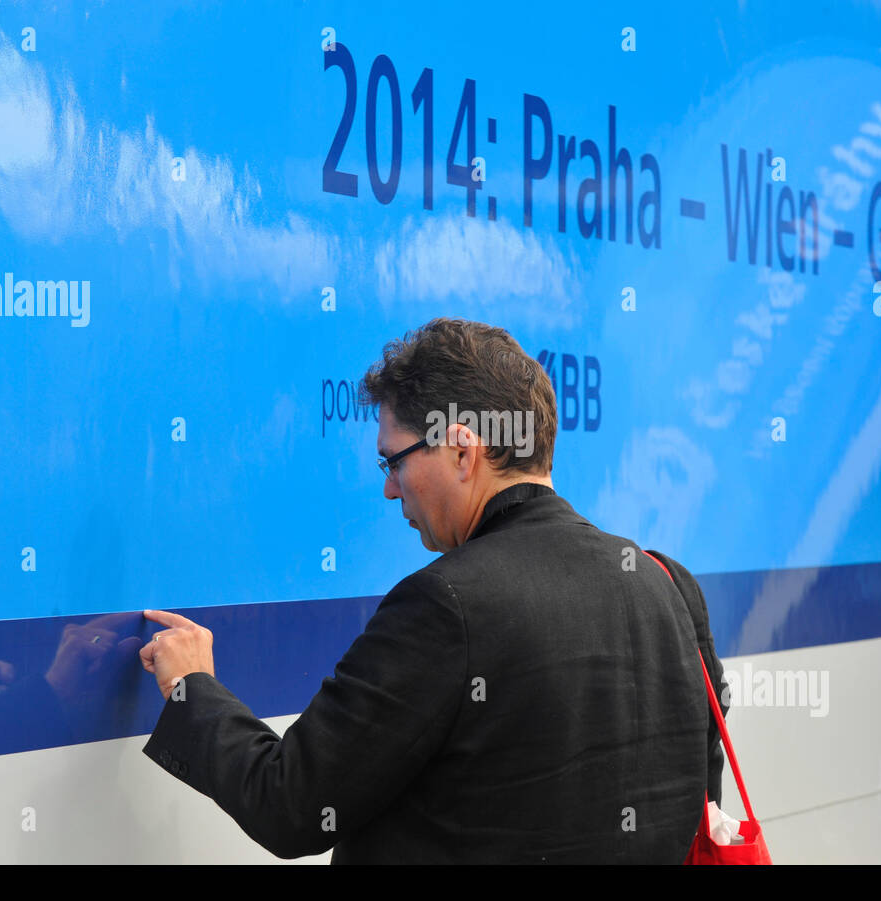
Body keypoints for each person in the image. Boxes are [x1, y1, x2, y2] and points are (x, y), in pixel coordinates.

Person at [139, 318, 728, 863]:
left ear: (463, 451)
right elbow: (699, 799)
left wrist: (192, 688)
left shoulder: (447, 604)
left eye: (393, 462)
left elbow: (291, 804)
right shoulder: (667, 584)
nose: (392, 490)